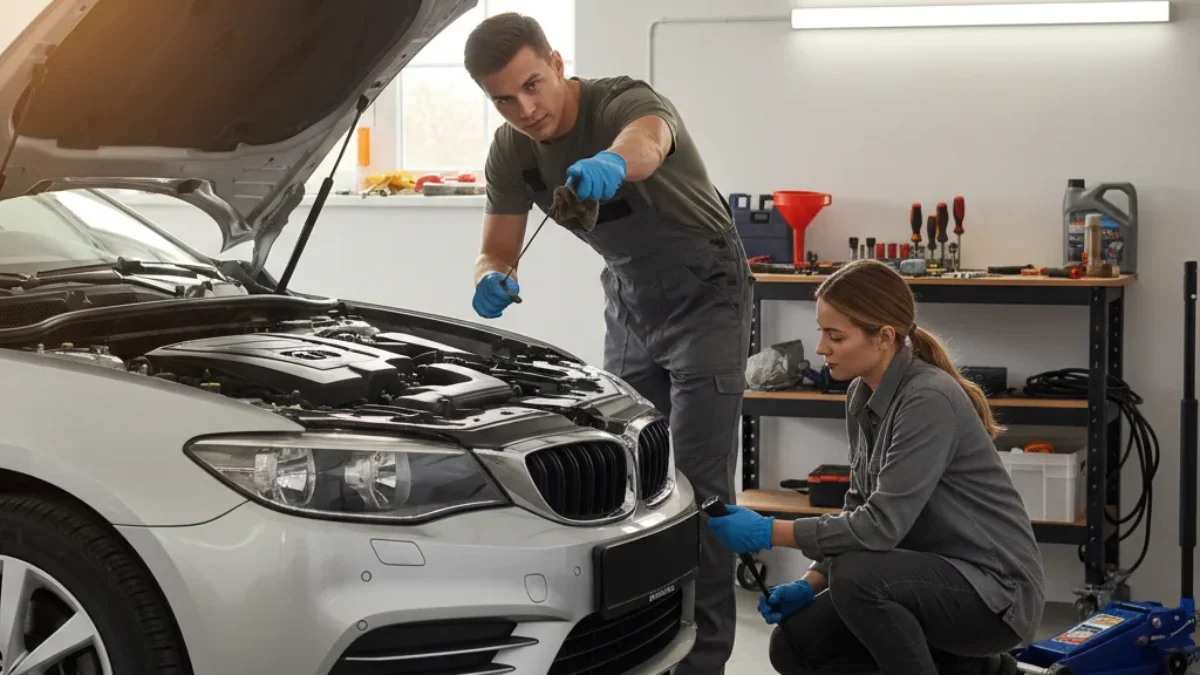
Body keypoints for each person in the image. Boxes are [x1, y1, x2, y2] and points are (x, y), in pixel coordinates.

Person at [463, 12, 751, 675]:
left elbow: (648, 140)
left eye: (534, 84)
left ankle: (702, 663)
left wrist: (614, 162)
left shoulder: (623, 100)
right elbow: (496, 249)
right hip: (630, 301)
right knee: (628, 478)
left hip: (707, 292)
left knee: (700, 489)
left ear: (559, 63)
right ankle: (638, 648)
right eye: (504, 99)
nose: (525, 108)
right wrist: (490, 277)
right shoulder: (510, 151)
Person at [706, 259, 1046, 675]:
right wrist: (810, 582)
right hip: (928, 582)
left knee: (857, 576)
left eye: (835, 335)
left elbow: (880, 526)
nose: (820, 347)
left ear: (884, 337)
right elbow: (857, 509)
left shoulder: (927, 399)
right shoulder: (860, 394)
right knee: (796, 645)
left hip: (996, 595)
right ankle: (983, 671)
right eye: (821, 331)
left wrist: (767, 530)